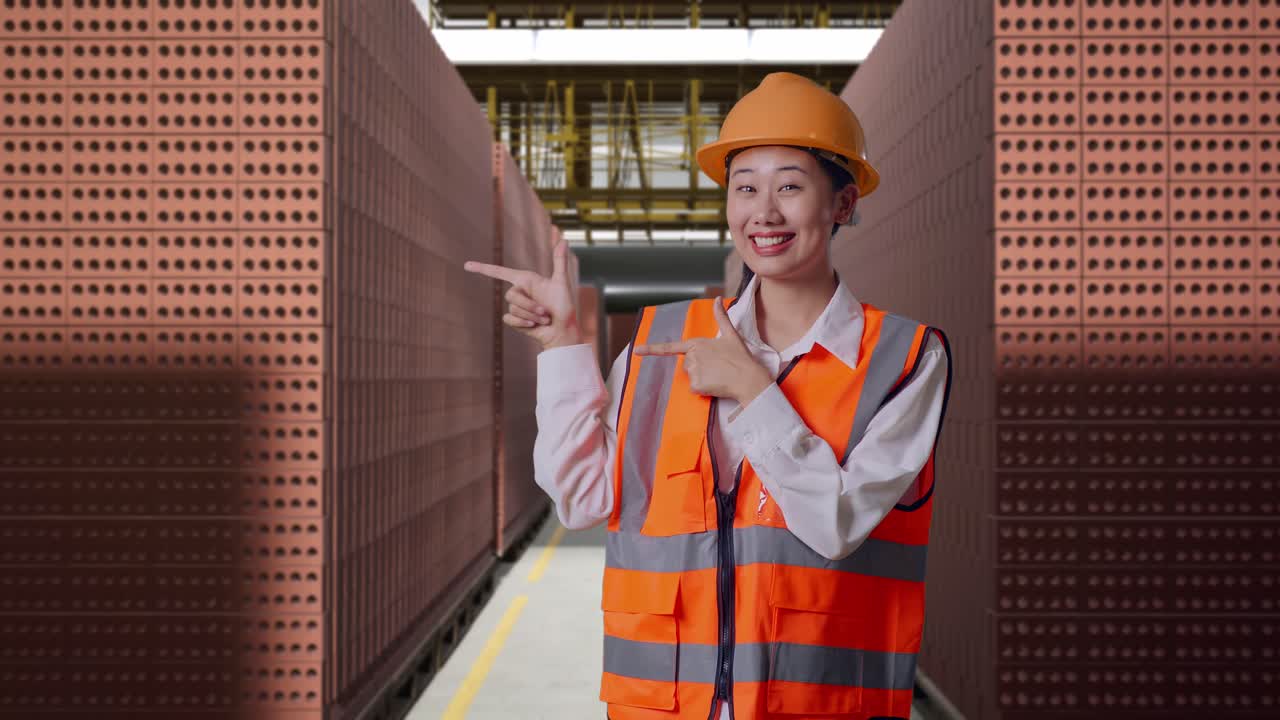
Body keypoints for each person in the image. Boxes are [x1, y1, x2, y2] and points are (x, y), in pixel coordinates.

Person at [464, 71, 952, 720]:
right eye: (745, 187)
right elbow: (582, 497)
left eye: (790, 186)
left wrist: (753, 388)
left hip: (819, 707)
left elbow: (836, 525)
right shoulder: (661, 340)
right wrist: (561, 344)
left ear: (841, 203)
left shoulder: (904, 358)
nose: (764, 212)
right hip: (664, 707)